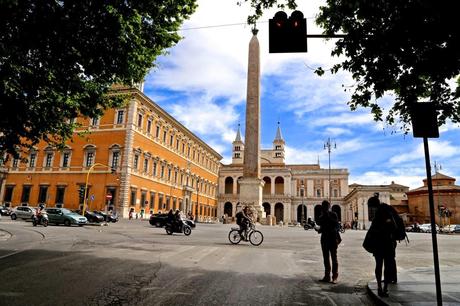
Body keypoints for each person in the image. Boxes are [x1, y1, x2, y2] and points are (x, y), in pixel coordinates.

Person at [366, 195, 398, 297]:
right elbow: (393, 226)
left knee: (379, 265)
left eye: (371, 206)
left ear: (374, 205)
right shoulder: (386, 210)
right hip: (388, 242)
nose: (371, 209)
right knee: (386, 265)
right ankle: (384, 288)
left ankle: (381, 287)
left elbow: (377, 228)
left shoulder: (381, 212)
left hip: (381, 243)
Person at [316, 200, 340, 284]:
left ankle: (334, 277)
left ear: (329, 207)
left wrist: (328, 215)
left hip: (332, 238)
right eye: (323, 206)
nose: (324, 207)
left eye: (326, 206)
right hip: (324, 239)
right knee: (326, 258)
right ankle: (327, 276)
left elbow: (337, 226)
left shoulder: (333, 214)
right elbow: (322, 228)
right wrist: (317, 229)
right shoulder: (321, 216)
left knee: (334, 258)